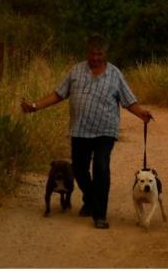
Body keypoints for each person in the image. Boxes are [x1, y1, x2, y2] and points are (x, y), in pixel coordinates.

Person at [20, 34, 153, 229]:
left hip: (105, 131)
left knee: (101, 167)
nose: (96, 58)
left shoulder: (115, 74)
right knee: (79, 170)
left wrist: (141, 113)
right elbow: (59, 94)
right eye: (92, 53)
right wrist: (34, 106)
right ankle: (90, 198)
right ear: (87, 52)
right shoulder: (76, 71)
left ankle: (100, 214)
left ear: (105, 54)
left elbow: (128, 100)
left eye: (99, 54)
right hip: (80, 129)